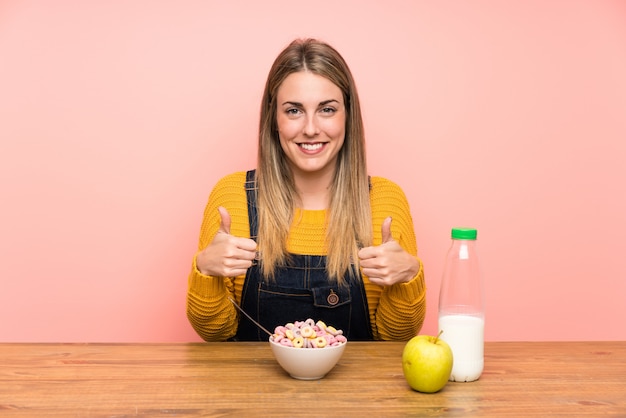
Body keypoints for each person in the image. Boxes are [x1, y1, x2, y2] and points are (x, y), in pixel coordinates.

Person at [186, 38, 426, 342]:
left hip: (357, 390)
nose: (311, 128)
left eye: (326, 109)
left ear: (347, 117)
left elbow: (396, 337)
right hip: (252, 390)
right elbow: (215, 334)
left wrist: (407, 277)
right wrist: (206, 272)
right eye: (294, 111)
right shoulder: (231, 196)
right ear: (274, 118)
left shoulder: (384, 201)